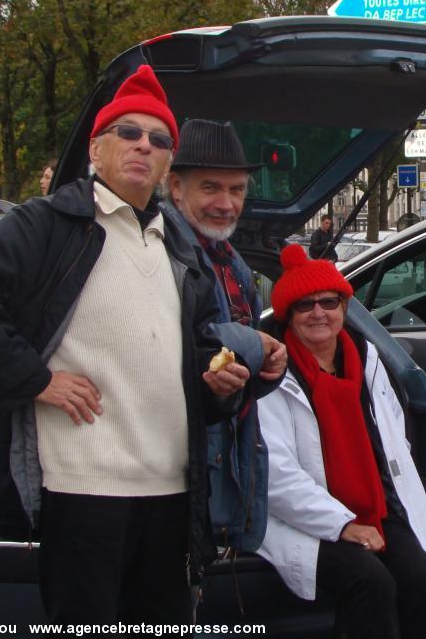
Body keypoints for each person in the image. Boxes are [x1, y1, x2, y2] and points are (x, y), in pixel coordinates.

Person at [0, 65, 272, 624]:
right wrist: (35, 379)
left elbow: (195, 358)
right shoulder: (48, 224)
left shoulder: (176, 244)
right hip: (83, 491)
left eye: (159, 140)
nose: (143, 146)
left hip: (172, 493)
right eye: (128, 133)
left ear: (166, 164)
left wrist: (219, 382)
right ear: (96, 148)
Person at [257, 244, 426, 639]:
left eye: (329, 302)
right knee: (370, 584)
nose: (318, 313)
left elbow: (395, 438)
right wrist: (342, 524)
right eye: (303, 305)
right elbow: (275, 476)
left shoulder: (368, 358)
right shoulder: (273, 372)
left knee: (422, 580)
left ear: (345, 307)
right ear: (286, 316)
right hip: (304, 517)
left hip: (374, 507)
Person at [163, 118, 286, 552]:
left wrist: (267, 370)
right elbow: (175, 340)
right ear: (176, 188)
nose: (226, 203)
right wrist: (256, 346)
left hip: (219, 467)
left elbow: (229, 379)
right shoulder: (161, 249)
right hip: (175, 469)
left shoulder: (231, 260)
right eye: (211, 187)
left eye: (237, 190)